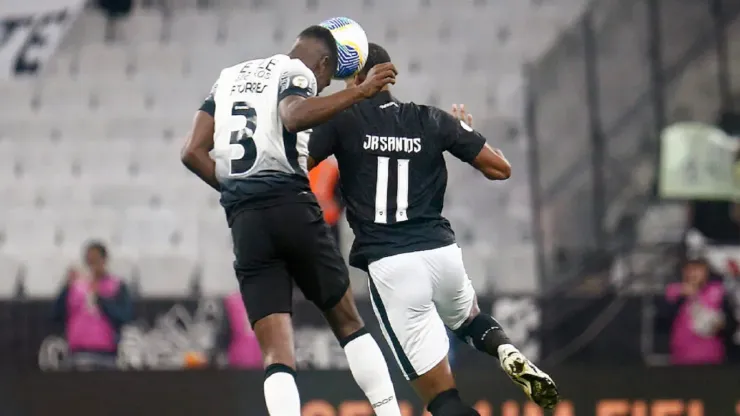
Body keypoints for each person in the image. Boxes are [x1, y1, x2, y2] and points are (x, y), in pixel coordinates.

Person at [308, 43, 559, 414]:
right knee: (469, 319)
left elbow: (302, 165)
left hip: (393, 266)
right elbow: (500, 168)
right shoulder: (432, 119)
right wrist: (464, 133)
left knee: (443, 400)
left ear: (360, 78)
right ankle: (504, 348)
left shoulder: (342, 119)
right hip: (442, 256)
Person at [180, 25, 402, 416]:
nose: (320, 87)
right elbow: (295, 115)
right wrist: (358, 91)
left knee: (276, 352)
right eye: (326, 79)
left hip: (245, 220)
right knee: (348, 322)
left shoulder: (229, 77)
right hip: (290, 203)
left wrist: (237, 192)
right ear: (324, 63)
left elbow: (191, 152)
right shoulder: (297, 71)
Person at [52, 241, 133, 370]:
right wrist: (66, 286)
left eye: (95, 261)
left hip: (106, 354)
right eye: (89, 261)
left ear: (104, 260)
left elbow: (124, 316)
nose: (92, 265)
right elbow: (56, 314)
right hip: (77, 353)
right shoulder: (74, 287)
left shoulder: (117, 286)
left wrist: (101, 299)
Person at [660, 257, 736, 365]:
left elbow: (731, 324)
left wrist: (721, 325)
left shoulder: (718, 292)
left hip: (711, 357)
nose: (692, 274)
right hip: (681, 357)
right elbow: (663, 320)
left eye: (697, 270)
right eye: (689, 270)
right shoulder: (674, 292)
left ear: (705, 272)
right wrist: (680, 297)